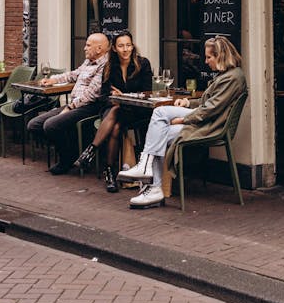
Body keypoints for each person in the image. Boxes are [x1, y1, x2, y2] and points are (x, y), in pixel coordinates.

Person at [117, 36, 247, 209]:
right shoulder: (227, 76)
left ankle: (149, 175)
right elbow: (207, 103)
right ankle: (153, 184)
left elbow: (210, 109)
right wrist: (187, 103)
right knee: (160, 130)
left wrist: (184, 119)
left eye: (209, 57)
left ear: (221, 56)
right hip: (207, 121)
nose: (206, 62)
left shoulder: (232, 78)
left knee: (160, 113)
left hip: (212, 126)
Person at [74, 30, 152, 192]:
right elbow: (103, 96)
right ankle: (109, 170)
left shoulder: (143, 64)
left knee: (117, 113)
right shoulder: (110, 66)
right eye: (121, 46)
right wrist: (114, 99)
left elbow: (147, 93)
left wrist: (123, 96)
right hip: (111, 109)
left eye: (128, 45)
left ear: (132, 46)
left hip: (136, 111)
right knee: (115, 120)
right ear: (114, 48)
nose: (126, 49)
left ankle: (92, 152)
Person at [27, 32, 110, 175]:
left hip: (89, 107)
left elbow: (91, 94)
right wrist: (53, 80)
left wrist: (70, 107)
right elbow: (73, 74)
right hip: (75, 105)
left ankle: (66, 159)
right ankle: (71, 151)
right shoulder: (89, 61)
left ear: (99, 49)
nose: (84, 48)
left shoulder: (105, 66)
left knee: (51, 125)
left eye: (88, 45)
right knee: (34, 125)